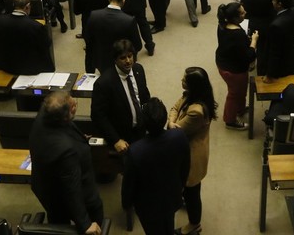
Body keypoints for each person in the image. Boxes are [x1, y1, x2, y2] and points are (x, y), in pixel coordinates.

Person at [29, 91, 104, 235]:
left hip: (46, 186)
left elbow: (65, 128)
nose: (75, 105)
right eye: (73, 106)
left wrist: (79, 138)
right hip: (70, 194)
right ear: (64, 117)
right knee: (94, 214)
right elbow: (72, 189)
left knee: (57, 220)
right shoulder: (66, 151)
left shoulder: (44, 115)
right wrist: (85, 224)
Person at [122, 98, 190, 235]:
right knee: (168, 224)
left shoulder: (135, 151)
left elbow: (129, 183)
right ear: (165, 118)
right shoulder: (179, 136)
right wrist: (180, 186)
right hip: (172, 196)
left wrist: (126, 204)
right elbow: (185, 167)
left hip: (148, 206)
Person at [169, 67, 217, 235]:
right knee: (188, 189)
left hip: (192, 157)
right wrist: (172, 120)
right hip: (187, 149)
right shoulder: (193, 96)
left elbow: (175, 131)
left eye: (185, 80)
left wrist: (171, 123)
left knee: (192, 193)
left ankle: (194, 224)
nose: (181, 81)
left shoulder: (196, 111)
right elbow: (175, 107)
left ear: (193, 85)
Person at [91, 39, 150, 153]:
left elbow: (145, 97)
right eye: (123, 58)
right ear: (115, 59)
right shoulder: (104, 83)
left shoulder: (139, 70)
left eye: (130, 56)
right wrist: (115, 140)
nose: (128, 61)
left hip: (142, 130)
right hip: (123, 137)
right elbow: (98, 116)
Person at [214, 2, 258, 130]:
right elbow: (249, 55)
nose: (245, 14)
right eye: (243, 13)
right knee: (234, 94)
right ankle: (230, 120)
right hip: (233, 70)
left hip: (223, 62)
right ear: (235, 18)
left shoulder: (222, 24)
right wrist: (254, 41)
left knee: (240, 91)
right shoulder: (237, 34)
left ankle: (240, 109)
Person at [0, 0, 54, 74]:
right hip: (31, 69)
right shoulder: (36, 26)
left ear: (13, 4)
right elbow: (46, 45)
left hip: (7, 67)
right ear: (27, 6)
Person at [83, 0, 140, 73]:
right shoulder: (129, 20)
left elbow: (87, 37)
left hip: (100, 61)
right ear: (124, 1)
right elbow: (137, 45)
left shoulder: (94, 15)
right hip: (121, 64)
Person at [261, 0, 294, 81]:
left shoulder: (276, 26)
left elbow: (274, 52)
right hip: (293, 55)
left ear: (279, 4)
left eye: (273, 0)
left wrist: (270, 74)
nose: (272, 2)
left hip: (281, 64)